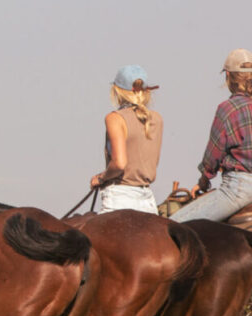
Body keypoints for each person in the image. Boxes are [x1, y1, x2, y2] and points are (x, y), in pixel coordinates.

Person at [171, 49, 252, 223]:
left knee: (172, 226)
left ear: (228, 76)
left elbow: (213, 156)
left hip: (239, 189)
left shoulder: (228, 108)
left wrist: (204, 181)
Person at [91, 65, 162, 215]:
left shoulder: (115, 118)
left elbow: (119, 164)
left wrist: (100, 178)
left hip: (119, 198)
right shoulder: (157, 118)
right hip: (148, 201)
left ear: (117, 91)